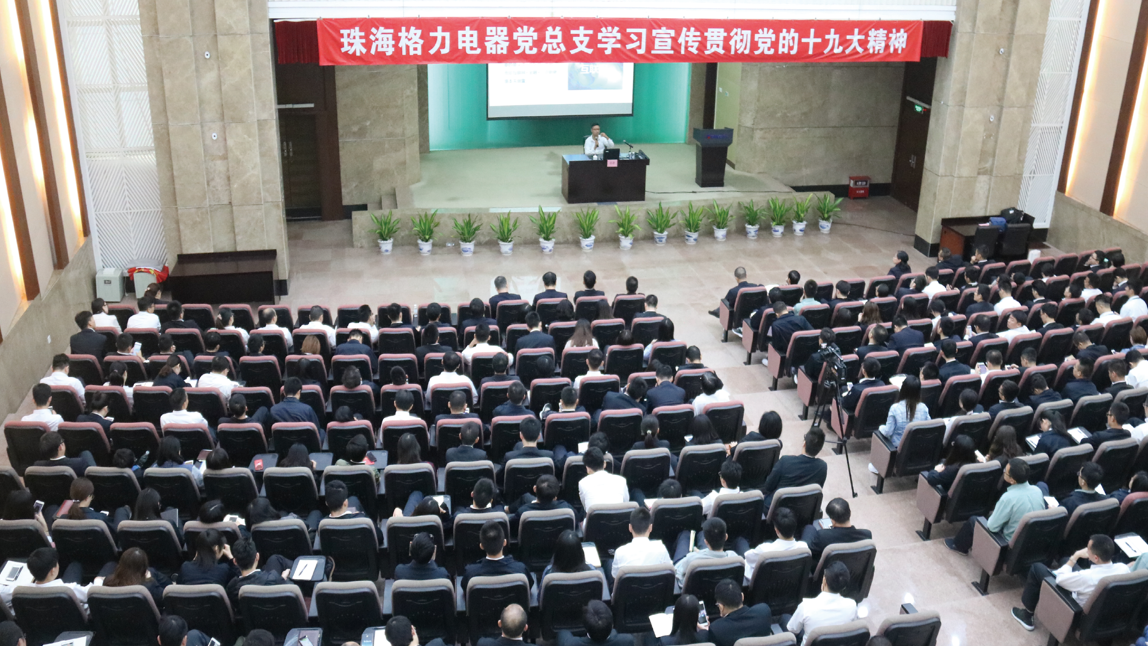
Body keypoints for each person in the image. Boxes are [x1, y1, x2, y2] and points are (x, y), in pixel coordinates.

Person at [1011, 534, 1128, 631]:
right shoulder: (1123, 568)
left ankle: (1027, 615)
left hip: (1074, 607)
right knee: (1065, 560)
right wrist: (1070, 561)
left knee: (1037, 568)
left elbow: (1060, 580)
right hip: (1102, 612)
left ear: (1096, 558)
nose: (1086, 550)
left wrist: (1075, 556)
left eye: (1088, 549)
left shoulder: (1087, 577)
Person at [947, 458, 1044, 554]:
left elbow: (992, 527)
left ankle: (958, 546)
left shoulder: (1008, 498)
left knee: (973, 521)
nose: (1004, 471)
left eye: (1005, 472)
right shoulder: (1037, 491)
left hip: (1007, 544)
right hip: (1029, 542)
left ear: (1012, 480)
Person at [786, 561, 858, 645]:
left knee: (785, 618)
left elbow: (792, 630)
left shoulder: (806, 607)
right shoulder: (852, 606)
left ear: (824, 580)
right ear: (844, 587)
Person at [762, 429, 827, 511]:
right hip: (803, 510)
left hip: (777, 510)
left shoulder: (785, 461)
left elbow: (768, 486)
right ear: (820, 448)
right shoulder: (822, 467)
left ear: (804, 443)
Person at [461, 520, 531, 592]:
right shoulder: (521, 570)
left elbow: (465, 591)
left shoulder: (470, 573)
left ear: (481, 546)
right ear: (505, 542)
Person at [699, 578, 773, 646]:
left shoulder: (716, 629)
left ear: (721, 607)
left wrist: (704, 632)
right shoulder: (764, 611)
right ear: (742, 596)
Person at [225, 536, 291, 610]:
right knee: (277, 559)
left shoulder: (231, 588)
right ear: (257, 556)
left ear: (235, 562)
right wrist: (283, 579)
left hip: (251, 616)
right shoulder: (273, 578)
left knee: (273, 559)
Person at [743, 508, 807, 582]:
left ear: (776, 530)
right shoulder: (804, 548)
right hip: (785, 583)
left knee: (740, 542)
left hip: (763, 583)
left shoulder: (764, 550)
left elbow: (748, 558)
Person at [800, 498, 872, 563]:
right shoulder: (867, 535)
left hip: (826, 570)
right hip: (853, 569)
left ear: (832, 521)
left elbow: (808, 550)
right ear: (850, 513)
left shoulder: (823, 536)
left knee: (809, 528)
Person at [610, 506, 672, 579]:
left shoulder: (620, 552)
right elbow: (670, 571)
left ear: (630, 527)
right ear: (650, 528)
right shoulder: (661, 548)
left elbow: (615, 577)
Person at [104, 547, 171, 610]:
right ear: (144, 568)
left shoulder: (108, 581)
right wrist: (150, 580)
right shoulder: (150, 586)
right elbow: (166, 599)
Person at [876, 375, 928, 448]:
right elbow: (927, 427)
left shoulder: (895, 408)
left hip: (897, 447)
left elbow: (888, 432)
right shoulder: (924, 407)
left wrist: (881, 427)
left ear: (903, 389)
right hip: (916, 446)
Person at [508, 474, 574, 529]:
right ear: (555, 497)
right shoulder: (567, 508)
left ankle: (506, 509)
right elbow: (575, 523)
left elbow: (511, 526)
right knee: (526, 497)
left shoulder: (523, 511)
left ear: (534, 489)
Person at [579, 448, 629, 519]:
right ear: (604, 464)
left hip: (594, 524)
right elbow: (626, 503)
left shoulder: (582, 483)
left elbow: (586, 508)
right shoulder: (622, 480)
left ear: (587, 468)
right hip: (618, 521)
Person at [558, 600, 634, 646]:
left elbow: (563, 633)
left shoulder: (569, 643)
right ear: (612, 625)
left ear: (585, 627)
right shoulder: (627, 641)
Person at [765, 301, 813, 366]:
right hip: (805, 351)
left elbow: (776, 346)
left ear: (777, 314)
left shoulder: (776, 325)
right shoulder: (801, 319)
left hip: (787, 353)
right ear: (787, 309)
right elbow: (812, 333)